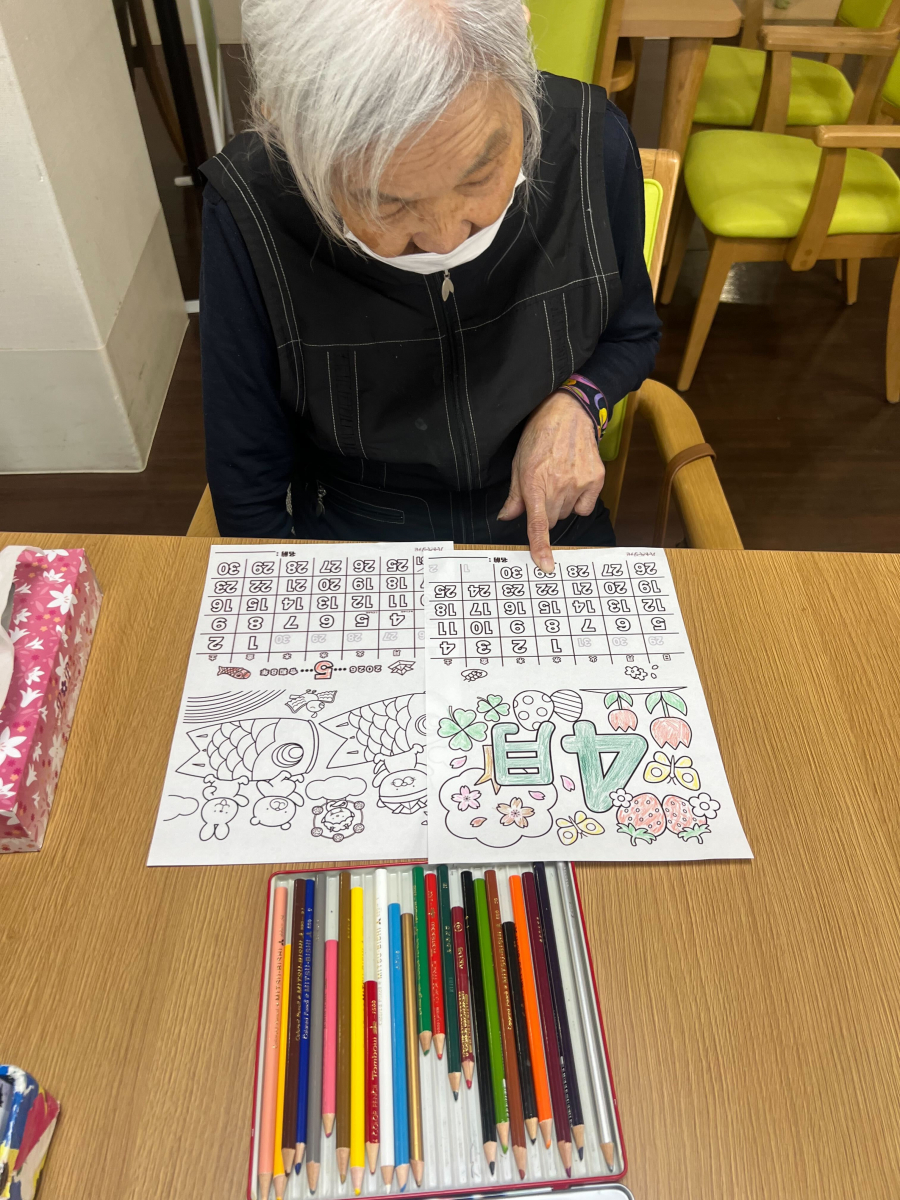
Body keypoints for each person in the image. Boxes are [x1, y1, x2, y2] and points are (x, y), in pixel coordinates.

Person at [200, 0, 660, 569]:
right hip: (355, 539)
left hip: (550, 519)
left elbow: (631, 333)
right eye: (388, 203)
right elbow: (247, 478)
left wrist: (580, 402)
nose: (444, 238)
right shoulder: (252, 206)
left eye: (479, 175)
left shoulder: (590, 142)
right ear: (293, 140)